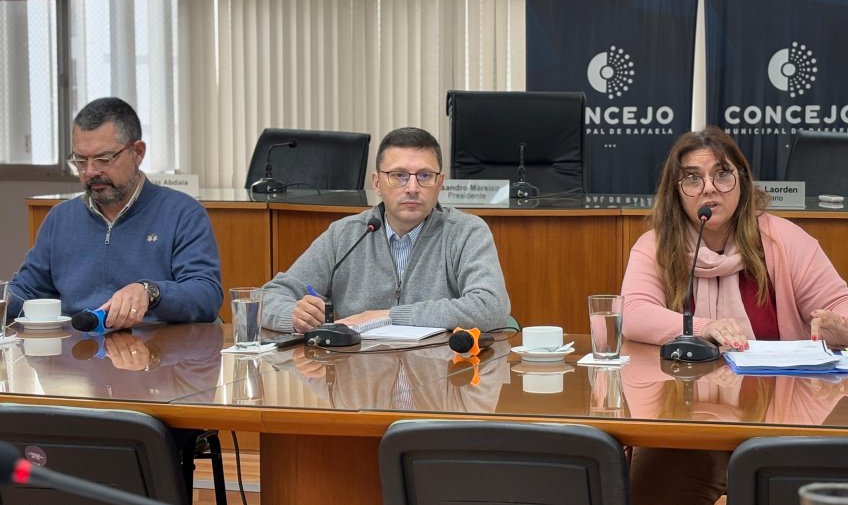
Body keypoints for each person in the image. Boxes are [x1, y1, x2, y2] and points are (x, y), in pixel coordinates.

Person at [619, 126, 848, 505]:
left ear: (743, 180)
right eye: (692, 178)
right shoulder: (658, 243)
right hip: (686, 424)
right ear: (677, 191)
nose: (709, 188)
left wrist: (844, 329)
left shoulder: (782, 239)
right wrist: (698, 328)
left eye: (722, 175)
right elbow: (634, 315)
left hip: (780, 421)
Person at [261, 127, 511, 333]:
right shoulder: (345, 235)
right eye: (399, 175)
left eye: (425, 175)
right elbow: (268, 298)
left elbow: (491, 307)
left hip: (442, 378)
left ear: (440, 183)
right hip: (360, 379)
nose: (412, 187)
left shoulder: (466, 232)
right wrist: (292, 315)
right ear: (377, 182)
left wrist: (389, 316)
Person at [8, 97, 222, 327]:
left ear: (137, 152)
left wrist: (150, 292)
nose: (90, 171)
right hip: (78, 354)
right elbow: (26, 292)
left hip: (156, 353)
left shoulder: (182, 213)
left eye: (103, 159)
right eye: (80, 160)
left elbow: (206, 295)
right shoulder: (60, 219)